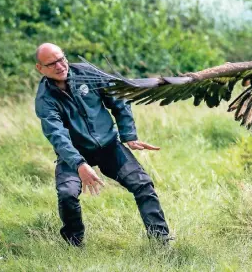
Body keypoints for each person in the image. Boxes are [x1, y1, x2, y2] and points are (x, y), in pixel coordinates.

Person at [34, 43, 171, 246]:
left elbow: (119, 99)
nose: (60, 65)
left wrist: (128, 134)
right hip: (73, 154)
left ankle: (161, 242)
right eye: (52, 63)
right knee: (67, 195)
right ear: (40, 68)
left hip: (109, 147)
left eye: (61, 59)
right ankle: (74, 243)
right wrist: (79, 164)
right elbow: (57, 135)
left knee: (143, 185)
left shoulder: (88, 74)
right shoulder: (45, 99)